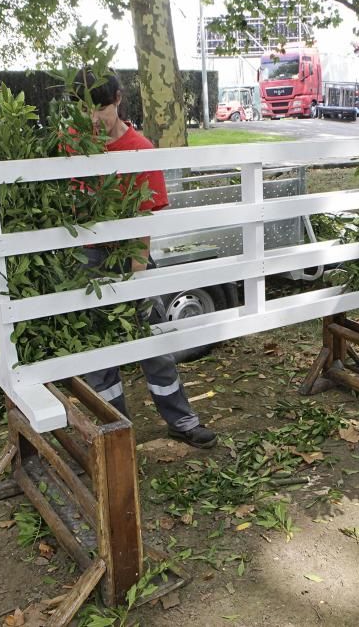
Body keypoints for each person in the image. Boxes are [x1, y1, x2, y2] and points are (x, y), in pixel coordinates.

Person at [74, 71, 217, 449]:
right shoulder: (72, 145)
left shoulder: (139, 148)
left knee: (152, 343)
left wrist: (138, 276)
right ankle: (115, 431)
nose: (94, 118)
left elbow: (144, 220)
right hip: (89, 263)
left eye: (101, 107)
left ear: (118, 99)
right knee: (100, 351)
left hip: (131, 257)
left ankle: (182, 420)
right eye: (86, 108)